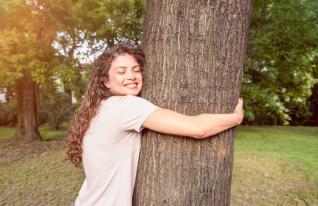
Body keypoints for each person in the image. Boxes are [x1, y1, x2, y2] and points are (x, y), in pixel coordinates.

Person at [66, 44, 244, 206]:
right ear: (106, 82)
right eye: (122, 71)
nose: (131, 76)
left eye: (136, 70)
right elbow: (198, 128)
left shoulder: (100, 108)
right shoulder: (125, 106)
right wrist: (235, 118)